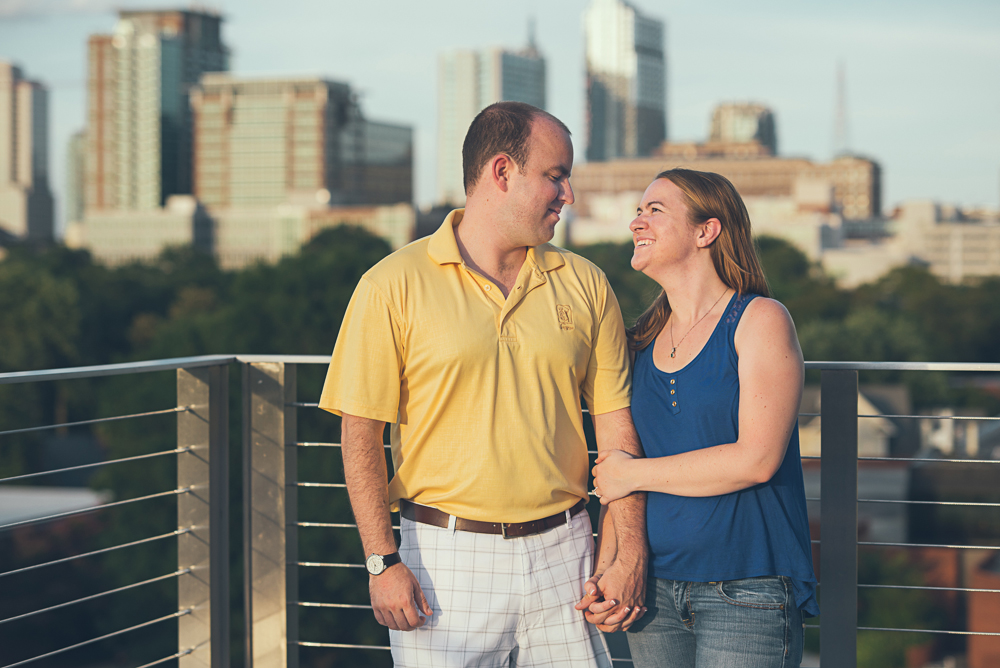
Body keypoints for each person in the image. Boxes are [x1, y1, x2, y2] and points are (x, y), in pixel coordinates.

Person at [319, 101, 647, 667]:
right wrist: (381, 561)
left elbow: (617, 431)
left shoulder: (587, 284)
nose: (568, 194)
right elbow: (360, 436)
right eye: (556, 175)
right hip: (441, 563)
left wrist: (629, 552)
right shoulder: (389, 285)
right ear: (502, 172)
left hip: (567, 557)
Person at [590, 169, 818, 668]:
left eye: (655, 211)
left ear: (705, 231)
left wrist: (630, 474)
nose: (636, 222)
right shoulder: (641, 341)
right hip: (654, 589)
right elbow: (620, 469)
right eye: (638, 210)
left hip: (746, 588)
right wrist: (610, 565)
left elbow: (755, 460)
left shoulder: (759, 319)